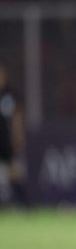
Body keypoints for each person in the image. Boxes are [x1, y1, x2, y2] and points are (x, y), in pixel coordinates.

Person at [0, 64, 24, 205]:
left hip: (5, 141)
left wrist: (18, 136)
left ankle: (24, 203)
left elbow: (17, 117)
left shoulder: (10, 95)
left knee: (14, 172)